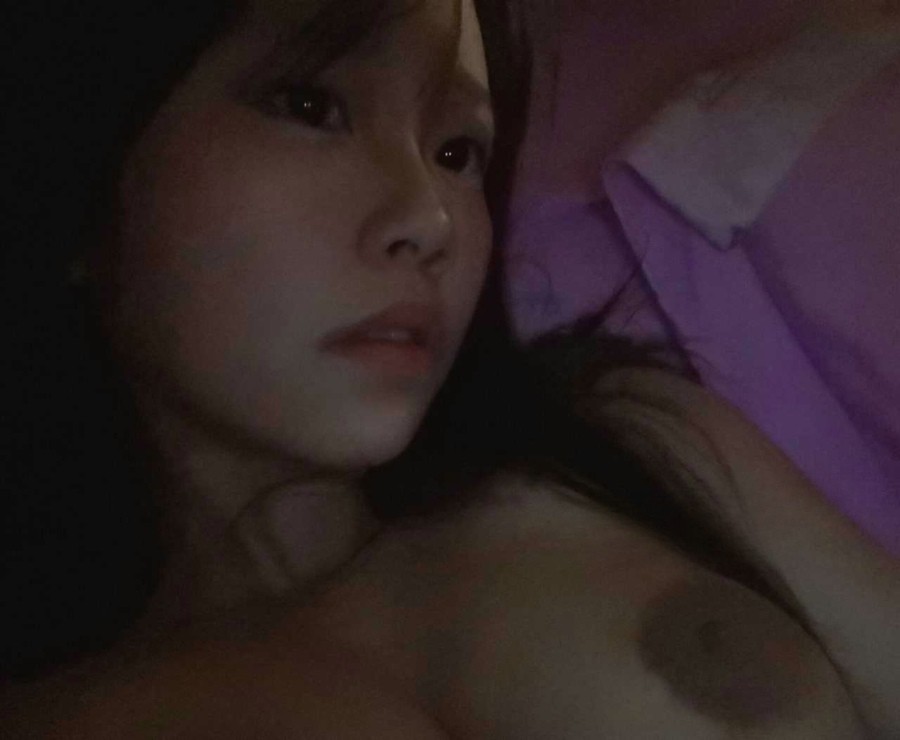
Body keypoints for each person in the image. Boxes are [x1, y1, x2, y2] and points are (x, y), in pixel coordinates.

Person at [2, 0, 897, 736]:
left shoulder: (641, 448)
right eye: (310, 105)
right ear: (91, 188)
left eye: (458, 153)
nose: (430, 218)